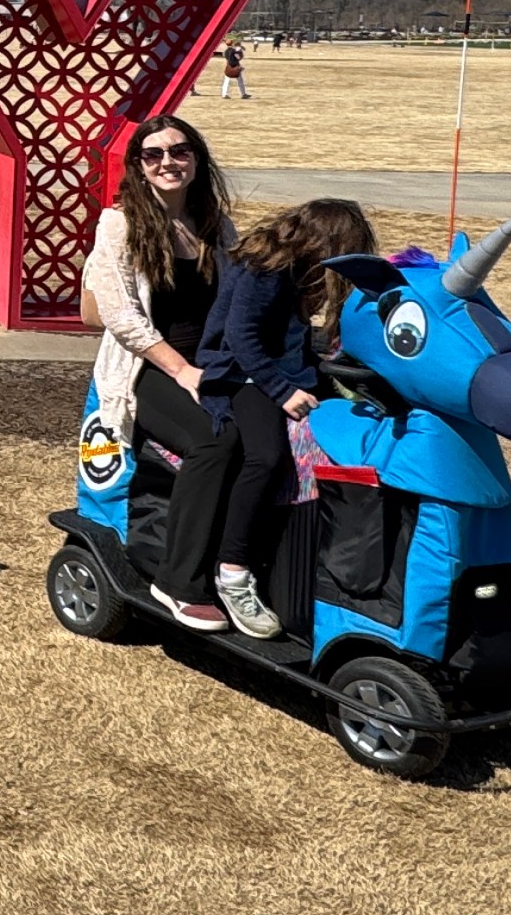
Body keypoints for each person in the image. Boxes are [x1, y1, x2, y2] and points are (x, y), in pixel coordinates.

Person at [155, 198, 378, 638]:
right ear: (320, 243)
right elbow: (240, 338)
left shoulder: (301, 271)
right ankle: (233, 570)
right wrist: (281, 392)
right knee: (267, 457)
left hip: (285, 368)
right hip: (241, 375)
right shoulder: (265, 268)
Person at [82, 117, 240, 632]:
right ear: (138, 167)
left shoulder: (214, 221)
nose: (168, 162)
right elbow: (123, 318)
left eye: (180, 151)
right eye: (153, 155)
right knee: (212, 442)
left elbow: (239, 297)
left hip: (214, 362)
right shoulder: (120, 224)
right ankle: (178, 582)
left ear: (197, 158)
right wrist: (184, 371)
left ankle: (239, 566)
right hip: (149, 368)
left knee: (267, 441)